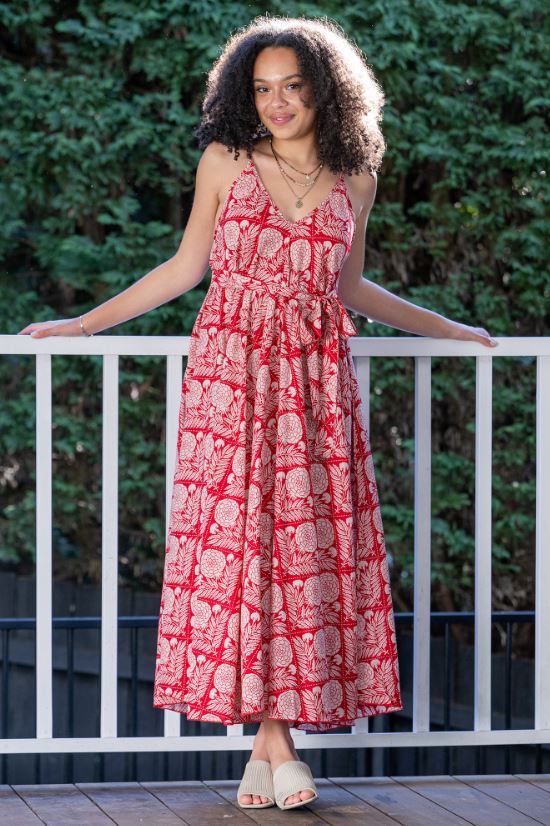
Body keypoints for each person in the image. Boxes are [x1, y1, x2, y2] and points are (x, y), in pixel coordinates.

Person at [18, 14, 497, 812]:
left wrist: (446, 328)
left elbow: (350, 288)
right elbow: (185, 268)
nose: (277, 102)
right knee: (241, 551)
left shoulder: (356, 179)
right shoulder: (225, 160)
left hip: (315, 387)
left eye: (293, 86)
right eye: (263, 88)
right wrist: (84, 324)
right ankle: (278, 746)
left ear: (325, 91)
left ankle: (267, 751)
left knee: (304, 552)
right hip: (231, 382)